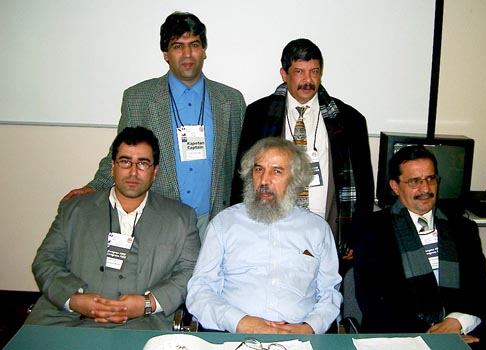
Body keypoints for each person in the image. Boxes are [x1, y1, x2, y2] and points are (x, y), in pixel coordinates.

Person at [63, 12, 246, 240]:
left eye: (194, 45)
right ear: (166, 54)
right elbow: (120, 155)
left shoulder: (231, 100)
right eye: (178, 46)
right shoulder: (139, 98)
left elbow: (243, 165)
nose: (187, 54)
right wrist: (94, 187)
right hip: (158, 217)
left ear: (204, 51)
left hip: (214, 221)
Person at [25, 127, 201, 329]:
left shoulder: (181, 218)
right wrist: (74, 300)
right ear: (112, 167)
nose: (133, 172)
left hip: (142, 322)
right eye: (125, 162)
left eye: (143, 163)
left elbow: (190, 271)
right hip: (66, 319)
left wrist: (147, 304)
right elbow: (45, 260)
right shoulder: (74, 209)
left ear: (155, 172)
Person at [230, 38, 373, 262]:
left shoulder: (350, 120)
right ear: (284, 74)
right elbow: (243, 178)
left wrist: (357, 237)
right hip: (271, 233)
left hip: (331, 234)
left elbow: (364, 186)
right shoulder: (258, 114)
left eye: (314, 71)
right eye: (299, 71)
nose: (308, 80)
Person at [187, 137, 343, 334]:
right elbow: (199, 291)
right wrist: (240, 322)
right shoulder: (224, 224)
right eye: (259, 169)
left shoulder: (317, 230)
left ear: (295, 179)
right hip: (233, 336)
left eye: (276, 171)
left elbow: (329, 292)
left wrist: (310, 328)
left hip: (300, 340)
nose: (264, 180)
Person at [354, 145, 486, 348]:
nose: (425, 189)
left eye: (430, 179)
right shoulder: (373, 230)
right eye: (414, 181)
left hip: (460, 331)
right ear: (395, 186)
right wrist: (431, 336)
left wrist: (457, 322)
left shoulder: (463, 228)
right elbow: (373, 302)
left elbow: (483, 290)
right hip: (399, 337)